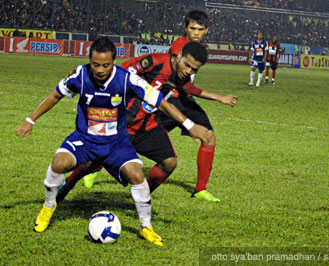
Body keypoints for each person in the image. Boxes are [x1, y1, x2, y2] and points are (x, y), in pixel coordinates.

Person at [15, 37, 209, 246]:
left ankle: (146, 227)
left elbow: (160, 102)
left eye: (105, 65)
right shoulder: (80, 75)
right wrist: (30, 120)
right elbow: (55, 95)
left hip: (117, 142)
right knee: (59, 163)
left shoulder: (127, 80)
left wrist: (190, 125)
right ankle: (48, 207)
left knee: (137, 176)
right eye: (95, 64)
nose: (100, 70)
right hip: (85, 138)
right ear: (90, 60)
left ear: (114, 62)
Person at [56, 42, 211, 204]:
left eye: (194, 69)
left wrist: (217, 100)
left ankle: (143, 199)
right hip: (121, 123)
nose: (189, 71)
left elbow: (184, 91)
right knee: (92, 161)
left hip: (147, 125)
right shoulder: (156, 61)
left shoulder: (182, 77)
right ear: (178, 55)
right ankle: (69, 183)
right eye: (187, 65)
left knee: (169, 162)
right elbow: (122, 70)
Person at [160, 10, 238, 202]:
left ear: (206, 30)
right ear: (185, 28)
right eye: (192, 28)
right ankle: (96, 166)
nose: (196, 32)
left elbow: (186, 87)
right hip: (168, 100)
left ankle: (201, 189)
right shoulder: (179, 47)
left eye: (200, 29)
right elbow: (184, 85)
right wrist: (219, 97)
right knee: (136, 137)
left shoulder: (199, 47)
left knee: (208, 136)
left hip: (184, 99)